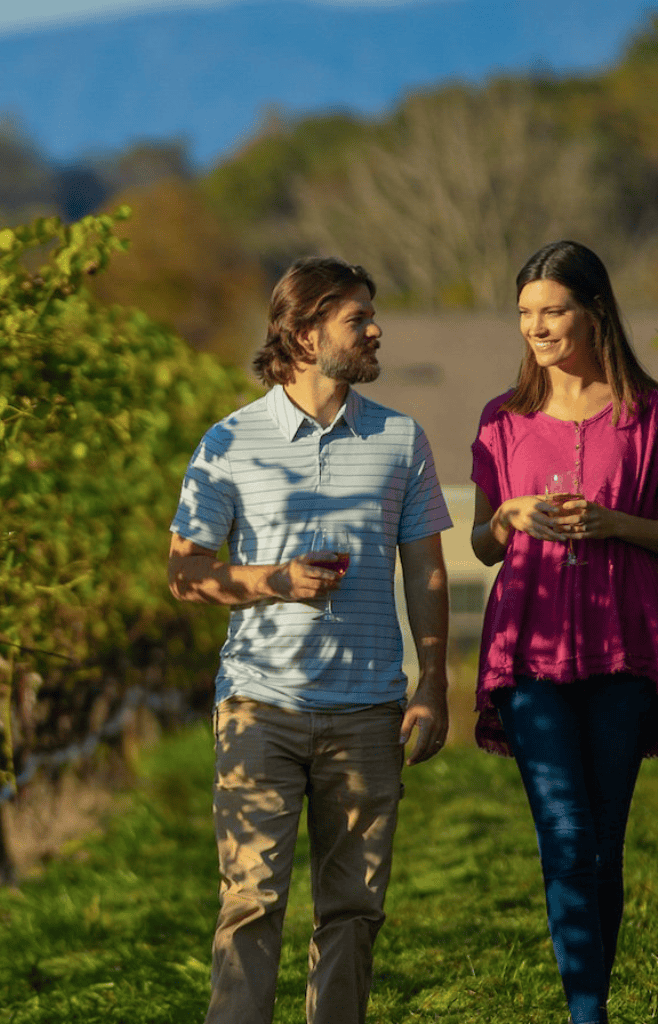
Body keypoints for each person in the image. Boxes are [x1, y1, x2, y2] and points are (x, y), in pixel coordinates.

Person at [168, 256, 451, 1024]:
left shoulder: (401, 438)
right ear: (303, 333)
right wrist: (275, 582)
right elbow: (185, 575)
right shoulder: (229, 442)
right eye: (358, 318)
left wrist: (432, 684)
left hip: (368, 711)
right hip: (260, 707)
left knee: (354, 910)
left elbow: (425, 569)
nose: (375, 330)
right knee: (252, 903)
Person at [469, 241, 658, 1024]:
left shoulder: (650, 414)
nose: (536, 327)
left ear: (594, 310)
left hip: (622, 650)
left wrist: (616, 524)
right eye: (525, 315)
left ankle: (591, 1005)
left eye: (552, 310)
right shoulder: (501, 421)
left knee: (605, 840)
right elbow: (481, 541)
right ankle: (587, 1014)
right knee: (567, 837)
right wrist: (508, 516)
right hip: (529, 650)